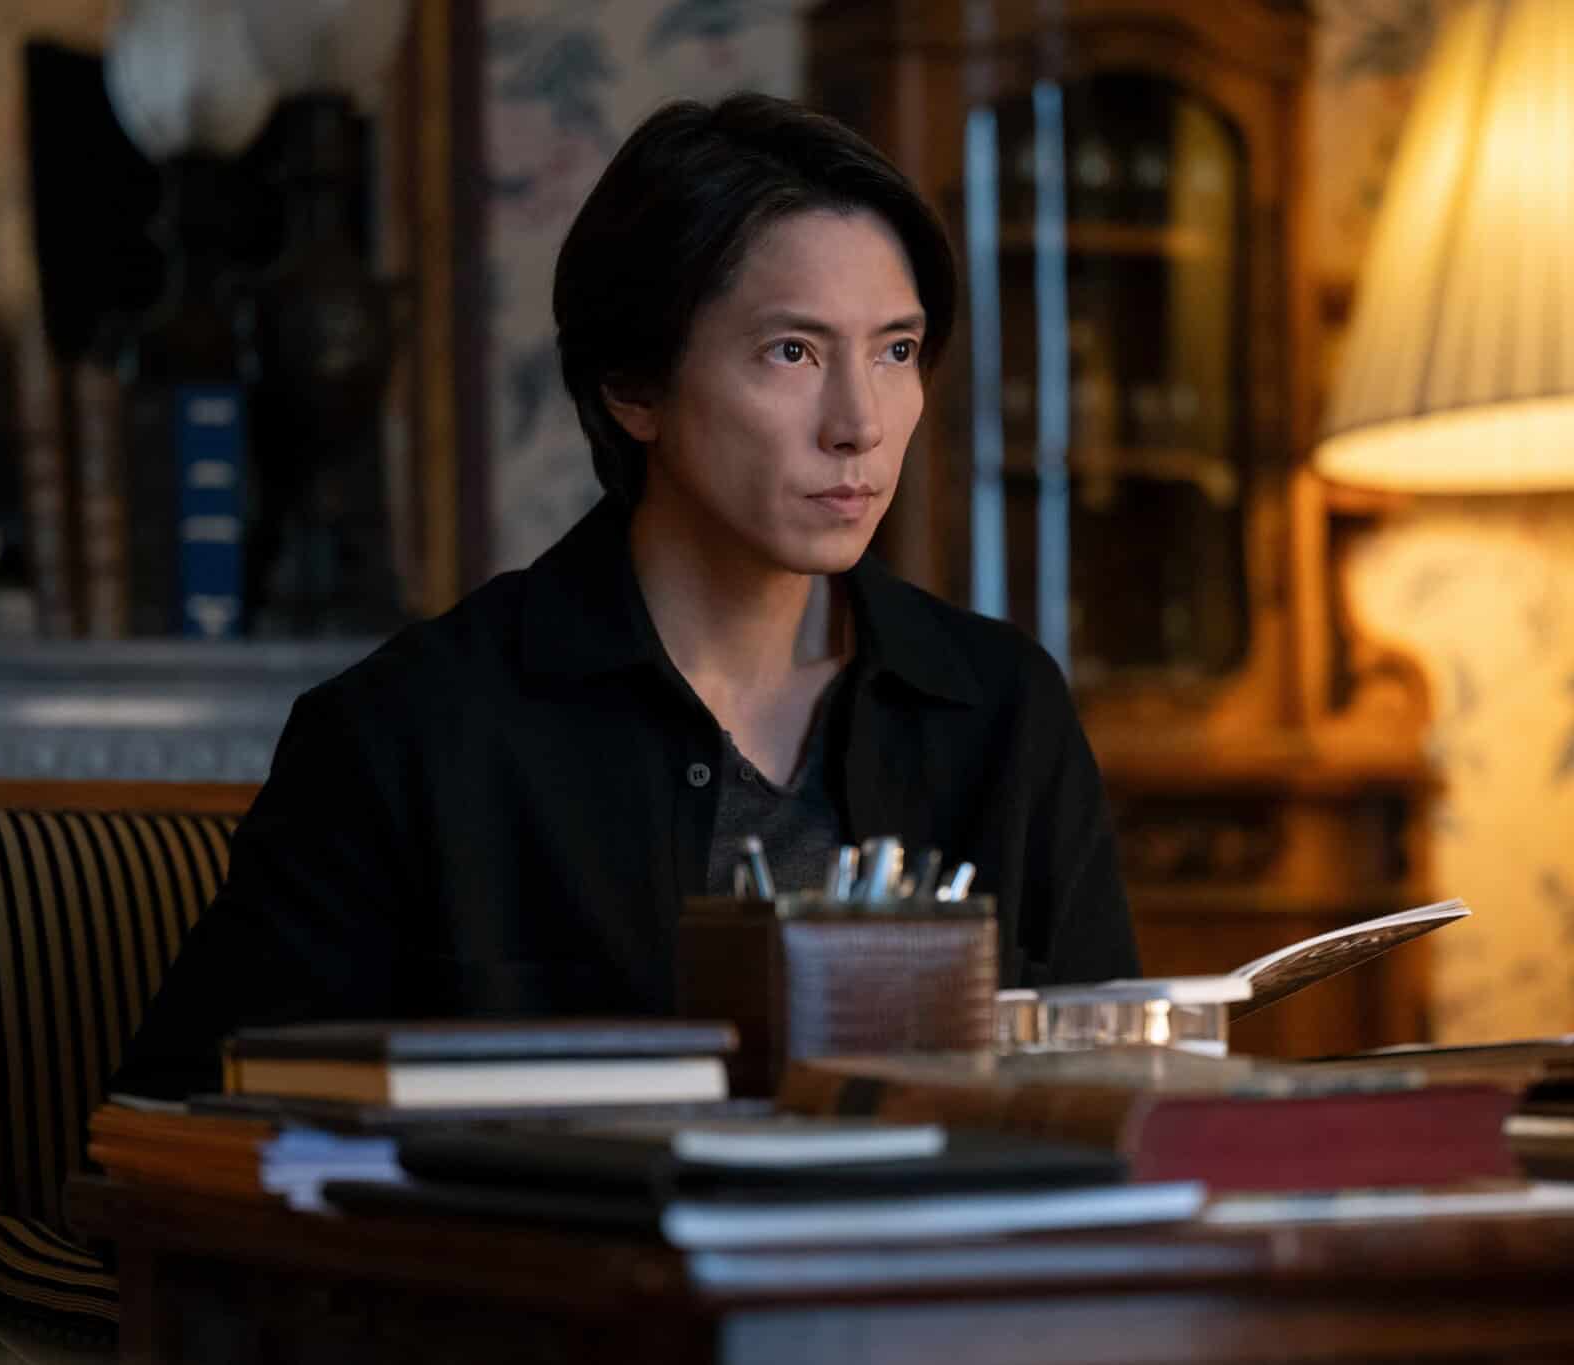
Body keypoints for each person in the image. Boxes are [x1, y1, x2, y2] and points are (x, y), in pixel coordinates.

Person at [112, 93, 1139, 1100]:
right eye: (792, 352)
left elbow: (1110, 1097)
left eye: (896, 351)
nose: (859, 423)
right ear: (632, 386)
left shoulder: (1001, 708)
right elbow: (182, 1126)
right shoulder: (408, 734)